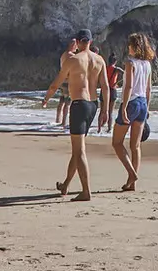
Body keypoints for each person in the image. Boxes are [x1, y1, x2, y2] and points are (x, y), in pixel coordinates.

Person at [39, 31, 108, 201]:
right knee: (77, 150)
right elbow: (105, 86)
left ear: (77, 42)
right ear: (91, 41)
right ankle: (66, 185)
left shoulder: (73, 60)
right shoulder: (99, 60)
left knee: (80, 151)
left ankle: (86, 191)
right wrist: (105, 111)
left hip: (79, 105)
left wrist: (47, 98)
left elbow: (57, 82)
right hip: (93, 105)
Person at [115, 32, 155, 192]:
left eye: (129, 45)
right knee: (135, 146)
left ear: (133, 46)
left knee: (117, 143)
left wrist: (123, 107)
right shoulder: (147, 64)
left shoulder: (130, 63)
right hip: (143, 103)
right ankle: (132, 183)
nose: (128, 48)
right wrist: (148, 108)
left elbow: (129, 86)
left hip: (132, 102)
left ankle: (132, 174)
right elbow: (148, 88)